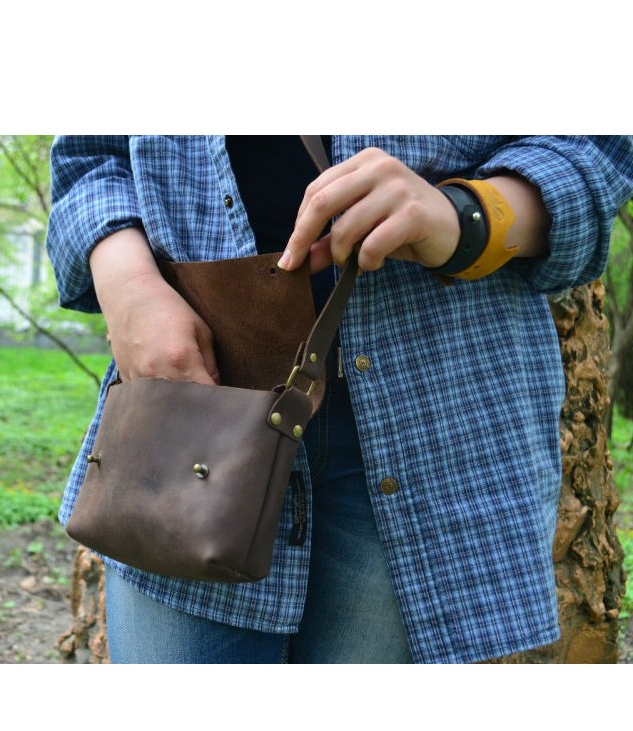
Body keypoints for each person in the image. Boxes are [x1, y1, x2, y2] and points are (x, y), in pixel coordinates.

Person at [46, 135, 633, 664]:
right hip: (193, 408)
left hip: (432, 423)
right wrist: (130, 290)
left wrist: (470, 216)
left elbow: (596, 146)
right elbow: (90, 157)